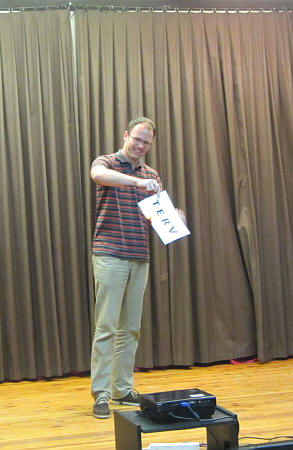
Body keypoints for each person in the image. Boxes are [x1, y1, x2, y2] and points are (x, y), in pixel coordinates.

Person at [89, 117, 166, 419]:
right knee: (106, 327)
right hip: (110, 255)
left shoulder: (151, 174)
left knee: (130, 328)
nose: (141, 145)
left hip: (139, 256)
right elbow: (97, 175)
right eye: (137, 139)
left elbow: (157, 217)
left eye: (146, 142)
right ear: (126, 135)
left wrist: (174, 219)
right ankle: (101, 394)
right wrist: (137, 183)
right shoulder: (107, 162)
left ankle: (122, 388)